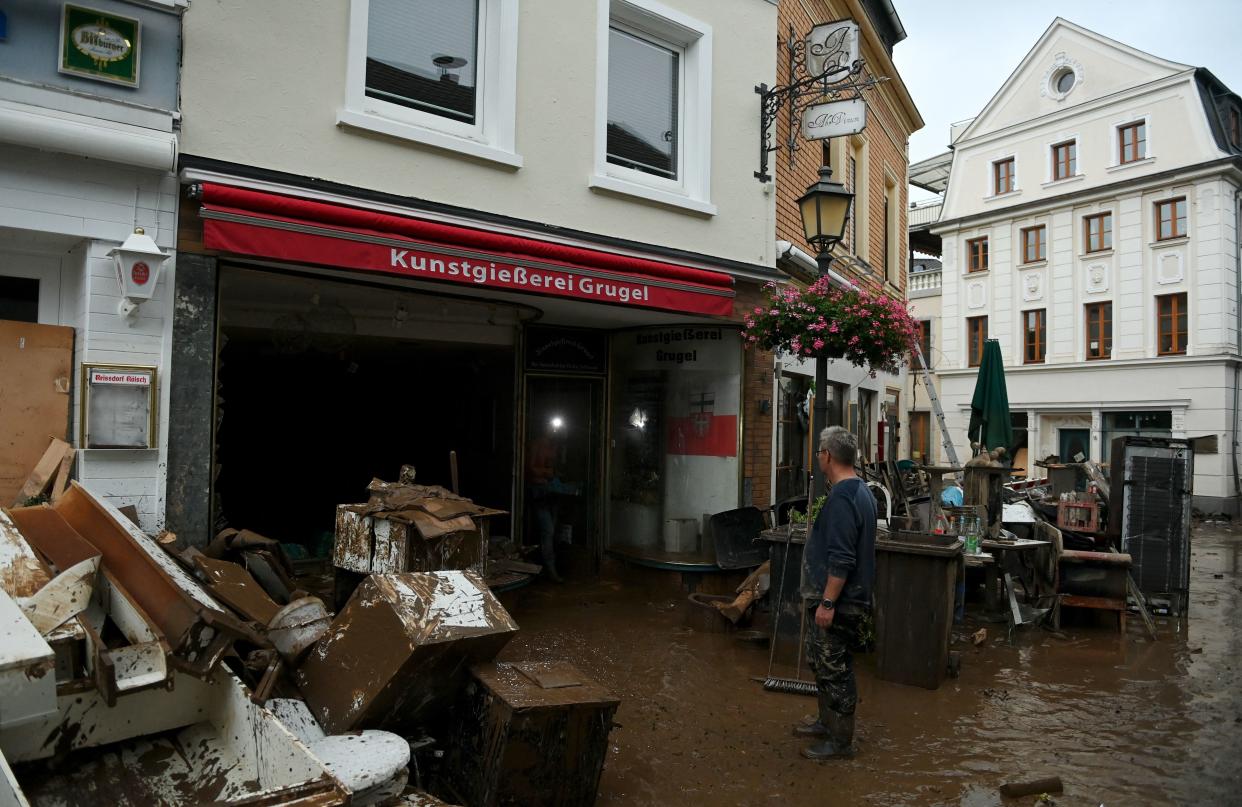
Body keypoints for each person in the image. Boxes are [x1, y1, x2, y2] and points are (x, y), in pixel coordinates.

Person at [796, 426, 877, 760]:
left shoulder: (844, 497)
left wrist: (828, 602)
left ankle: (840, 741)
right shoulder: (862, 491)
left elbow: (842, 559)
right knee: (822, 662)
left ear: (827, 455)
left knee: (836, 668)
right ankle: (825, 722)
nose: (818, 457)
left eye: (819, 451)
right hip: (846, 600)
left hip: (841, 603)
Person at [526, 425, 564, 583]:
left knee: (552, 531)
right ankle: (550, 570)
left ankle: (548, 568)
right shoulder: (536, 445)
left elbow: (557, 470)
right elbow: (529, 468)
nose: (553, 431)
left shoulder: (555, 447)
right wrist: (546, 473)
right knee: (547, 530)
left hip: (552, 492)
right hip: (538, 492)